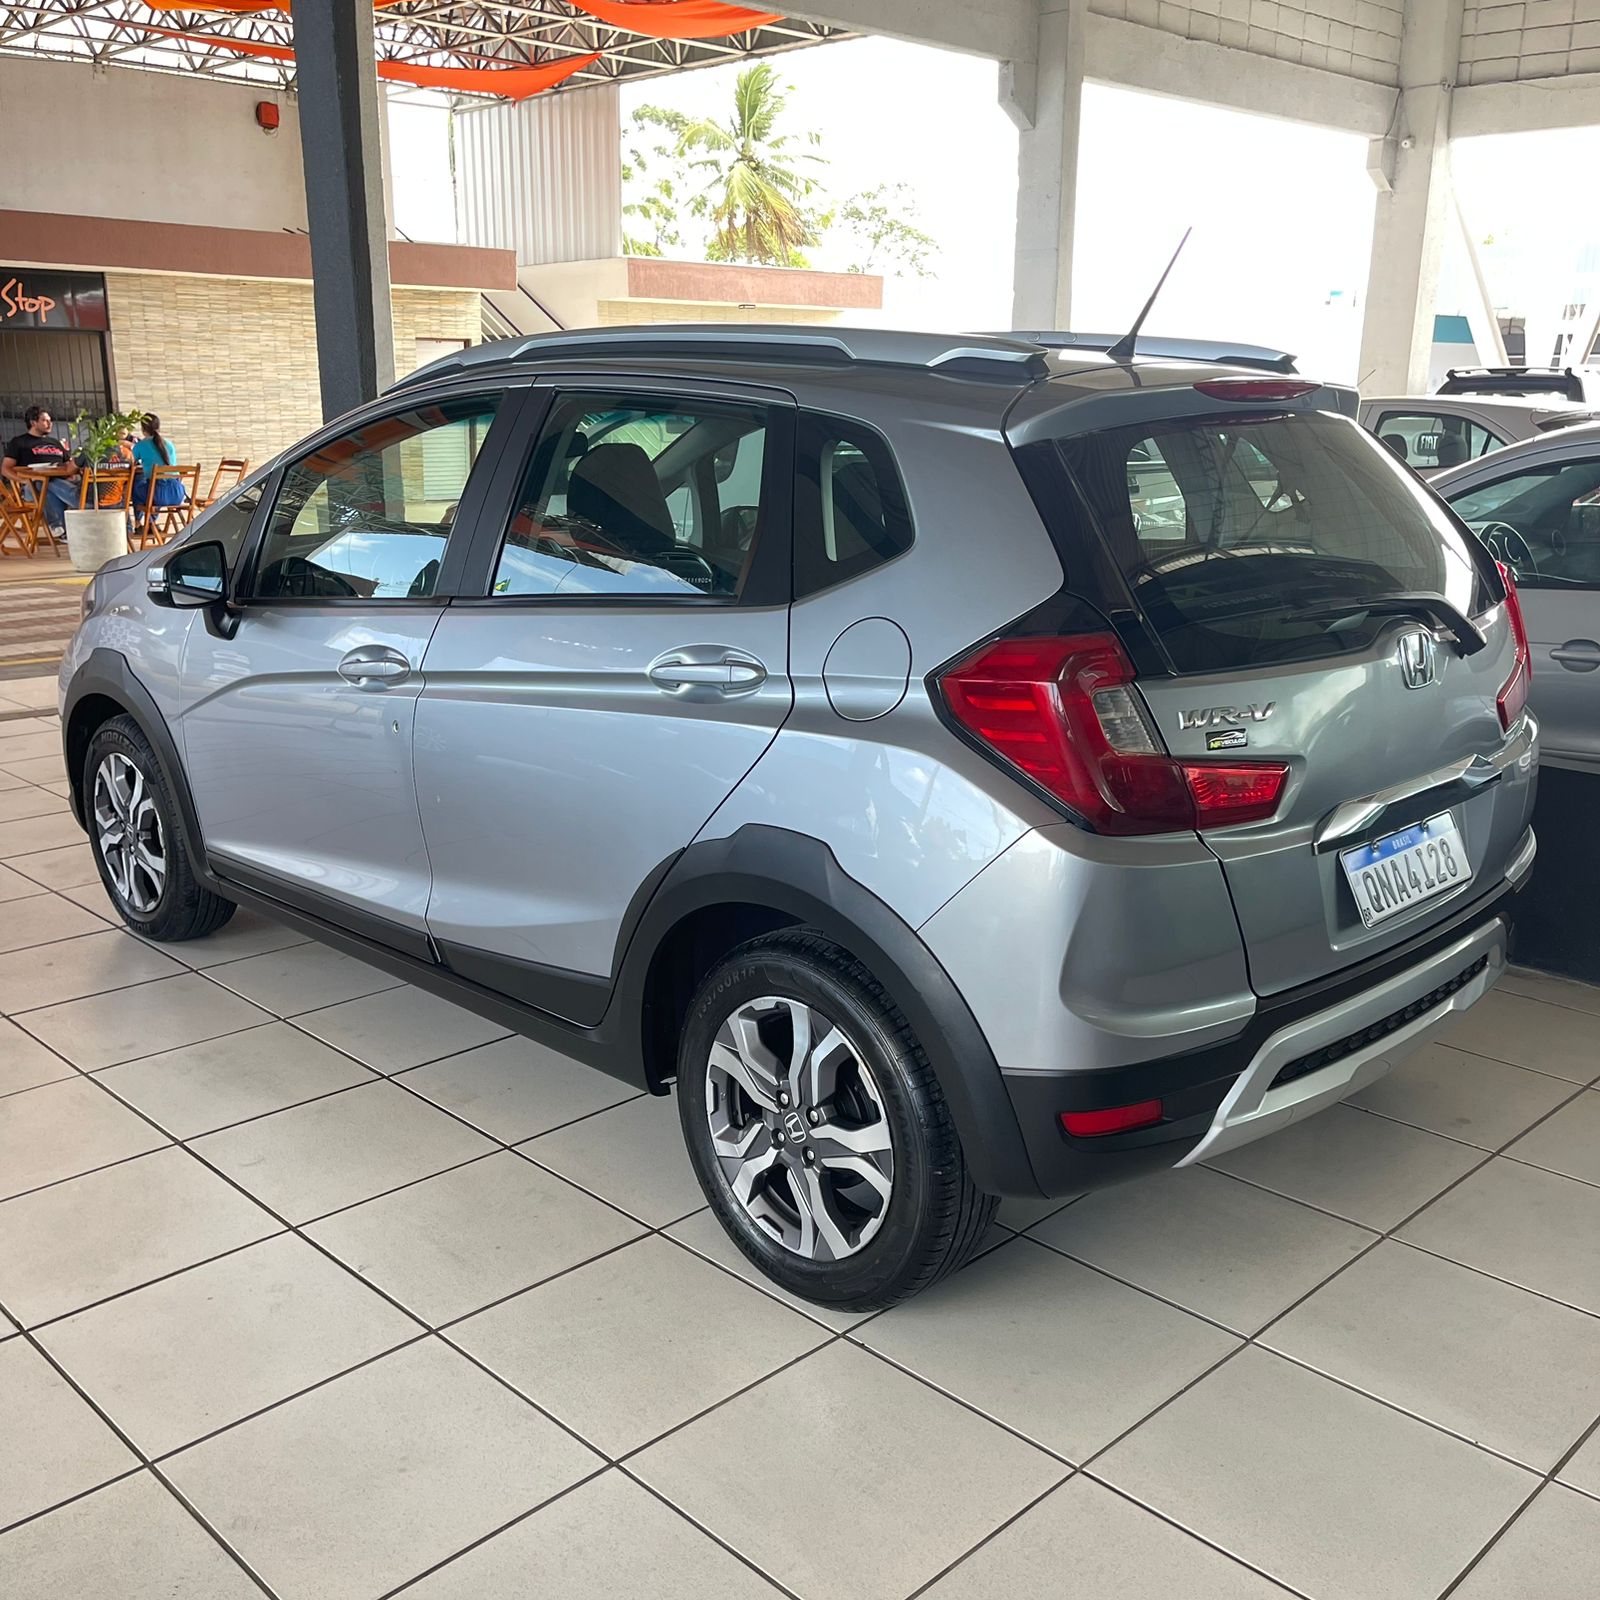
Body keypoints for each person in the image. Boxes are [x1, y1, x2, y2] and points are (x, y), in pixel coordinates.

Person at [2, 405, 79, 539]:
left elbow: (69, 464)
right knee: (43, 483)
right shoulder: (19, 442)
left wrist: (72, 474)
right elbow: (5, 469)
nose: (50, 423)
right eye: (44, 420)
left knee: (49, 484)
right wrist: (24, 481)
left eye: (50, 420)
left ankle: (60, 528)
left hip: (58, 483)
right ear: (33, 423)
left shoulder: (55, 443)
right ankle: (80, 501)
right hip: (32, 487)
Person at [131, 413, 186, 528]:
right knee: (154, 487)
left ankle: (138, 523)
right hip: (177, 494)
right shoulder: (169, 444)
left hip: (158, 494)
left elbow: (130, 463)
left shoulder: (140, 445)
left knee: (136, 487)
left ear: (143, 429)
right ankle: (151, 523)